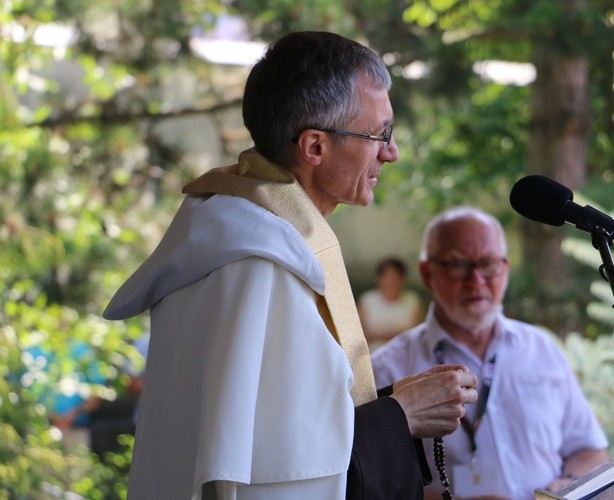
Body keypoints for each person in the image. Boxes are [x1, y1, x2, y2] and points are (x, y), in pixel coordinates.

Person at [103, 31, 478, 500]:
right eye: (379, 133)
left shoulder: (243, 236)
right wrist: (402, 415)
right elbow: (275, 477)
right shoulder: (259, 265)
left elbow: (283, 434)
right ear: (315, 147)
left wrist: (393, 403)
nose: (391, 151)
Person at [371, 207, 609, 500]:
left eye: (488, 264)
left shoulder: (542, 349)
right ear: (427, 273)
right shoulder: (387, 371)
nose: (476, 280)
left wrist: (566, 485)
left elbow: (589, 449)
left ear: (505, 270)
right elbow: (372, 485)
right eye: (458, 265)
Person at [357, 257, 424, 351]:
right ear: (378, 278)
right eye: (386, 276)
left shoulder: (413, 300)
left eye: (395, 277)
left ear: (403, 279)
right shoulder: (367, 300)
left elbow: (416, 334)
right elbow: (358, 336)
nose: (391, 282)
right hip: (373, 353)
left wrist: (377, 335)